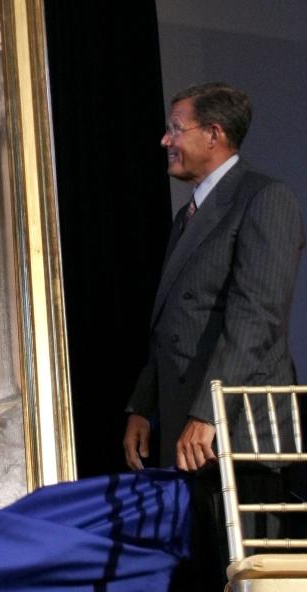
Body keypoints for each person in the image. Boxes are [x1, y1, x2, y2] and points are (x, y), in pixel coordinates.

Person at [123, 82, 304, 586]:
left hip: (239, 432)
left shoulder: (265, 199)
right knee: (200, 575)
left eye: (176, 128)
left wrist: (209, 414)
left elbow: (256, 316)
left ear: (214, 134)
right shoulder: (189, 215)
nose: (165, 140)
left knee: (243, 576)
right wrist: (144, 405)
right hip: (189, 431)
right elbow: (175, 321)